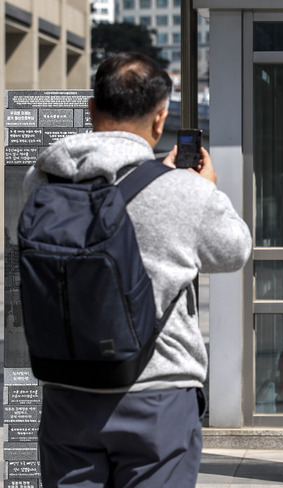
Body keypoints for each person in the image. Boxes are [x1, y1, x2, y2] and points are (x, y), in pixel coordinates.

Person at [23, 52, 252, 487]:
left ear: (92, 109)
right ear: (160, 119)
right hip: (157, 392)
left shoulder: (42, 180)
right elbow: (235, 251)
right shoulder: (185, 192)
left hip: (66, 390)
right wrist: (202, 189)